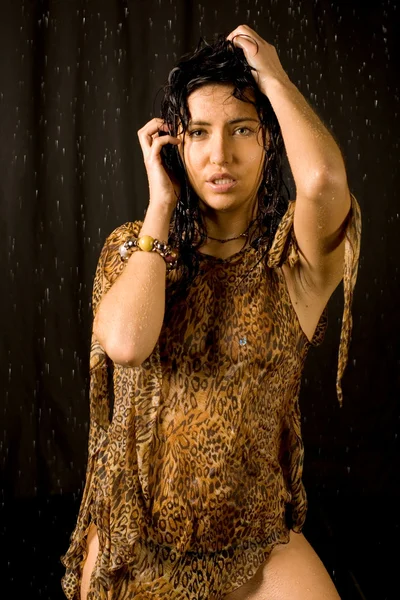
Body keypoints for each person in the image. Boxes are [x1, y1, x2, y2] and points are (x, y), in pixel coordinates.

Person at [61, 24, 361, 600]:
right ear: (175, 144)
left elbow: (323, 180)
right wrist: (161, 204)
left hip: (252, 536)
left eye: (241, 130)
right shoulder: (135, 248)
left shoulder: (292, 264)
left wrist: (272, 77)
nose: (219, 155)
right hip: (135, 537)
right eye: (199, 132)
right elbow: (125, 343)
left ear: (268, 141)